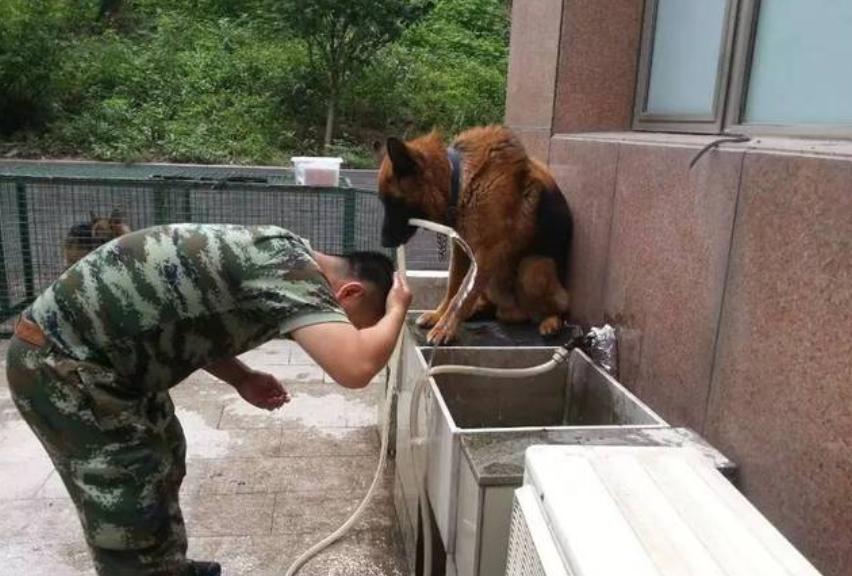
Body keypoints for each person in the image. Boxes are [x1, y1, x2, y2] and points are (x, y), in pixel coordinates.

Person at [4, 223, 412, 576]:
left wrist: (241, 377)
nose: (338, 332)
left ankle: (165, 565)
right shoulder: (293, 275)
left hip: (109, 361)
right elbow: (355, 368)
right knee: (127, 499)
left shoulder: (286, 253)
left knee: (164, 453)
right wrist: (397, 309)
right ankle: (144, 568)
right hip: (62, 364)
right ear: (350, 293)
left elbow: (195, 317)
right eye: (354, 325)